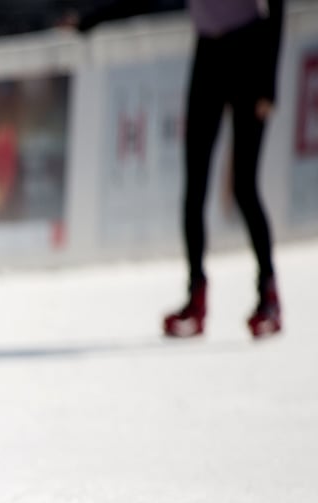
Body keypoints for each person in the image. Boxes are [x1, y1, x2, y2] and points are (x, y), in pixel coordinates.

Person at [75, 0, 285, 338]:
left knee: (245, 187)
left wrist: (269, 82)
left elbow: (276, 6)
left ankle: (268, 296)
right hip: (209, 54)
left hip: (249, 50)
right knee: (194, 187)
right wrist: (91, 19)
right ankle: (195, 297)